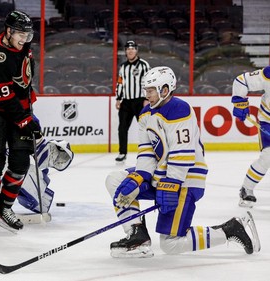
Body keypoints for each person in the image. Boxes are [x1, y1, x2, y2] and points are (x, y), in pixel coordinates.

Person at [105, 66, 260, 258]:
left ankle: (230, 229)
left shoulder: (179, 109)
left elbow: (182, 153)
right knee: (115, 180)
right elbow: (146, 151)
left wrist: (172, 183)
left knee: (170, 244)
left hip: (185, 179)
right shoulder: (145, 114)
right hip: (160, 177)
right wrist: (140, 176)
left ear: (165, 89)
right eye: (146, 90)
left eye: (151, 90)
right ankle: (138, 236)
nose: (147, 94)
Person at [0, 10, 41, 233]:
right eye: (21, 34)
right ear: (9, 31)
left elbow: (25, 83)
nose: (25, 39)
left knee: (21, 162)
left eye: (27, 35)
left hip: (18, 109)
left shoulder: (25, 50)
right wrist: (24, 120)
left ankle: (4, 208)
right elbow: (1, 96)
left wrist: (29, 115)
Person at [231, 66, 270, 207]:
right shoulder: (268, 74)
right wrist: (239, 102)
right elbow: (242, 81)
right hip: (268, 121)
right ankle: (247, 189)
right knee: (268, 156)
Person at [115, 40, 151, 162]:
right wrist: (118, 98)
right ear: (125, 51)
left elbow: (149, 82)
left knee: (145, 127)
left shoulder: (144, 65)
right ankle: (122, 152)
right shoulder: (123, 67)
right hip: (126, 101)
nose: (130, 50)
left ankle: (149, 151)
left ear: (136, 50)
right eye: (128, 49)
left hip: (140, 101)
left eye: (133, 48)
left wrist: (147, 98)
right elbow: (120, 83)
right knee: (122, 128)